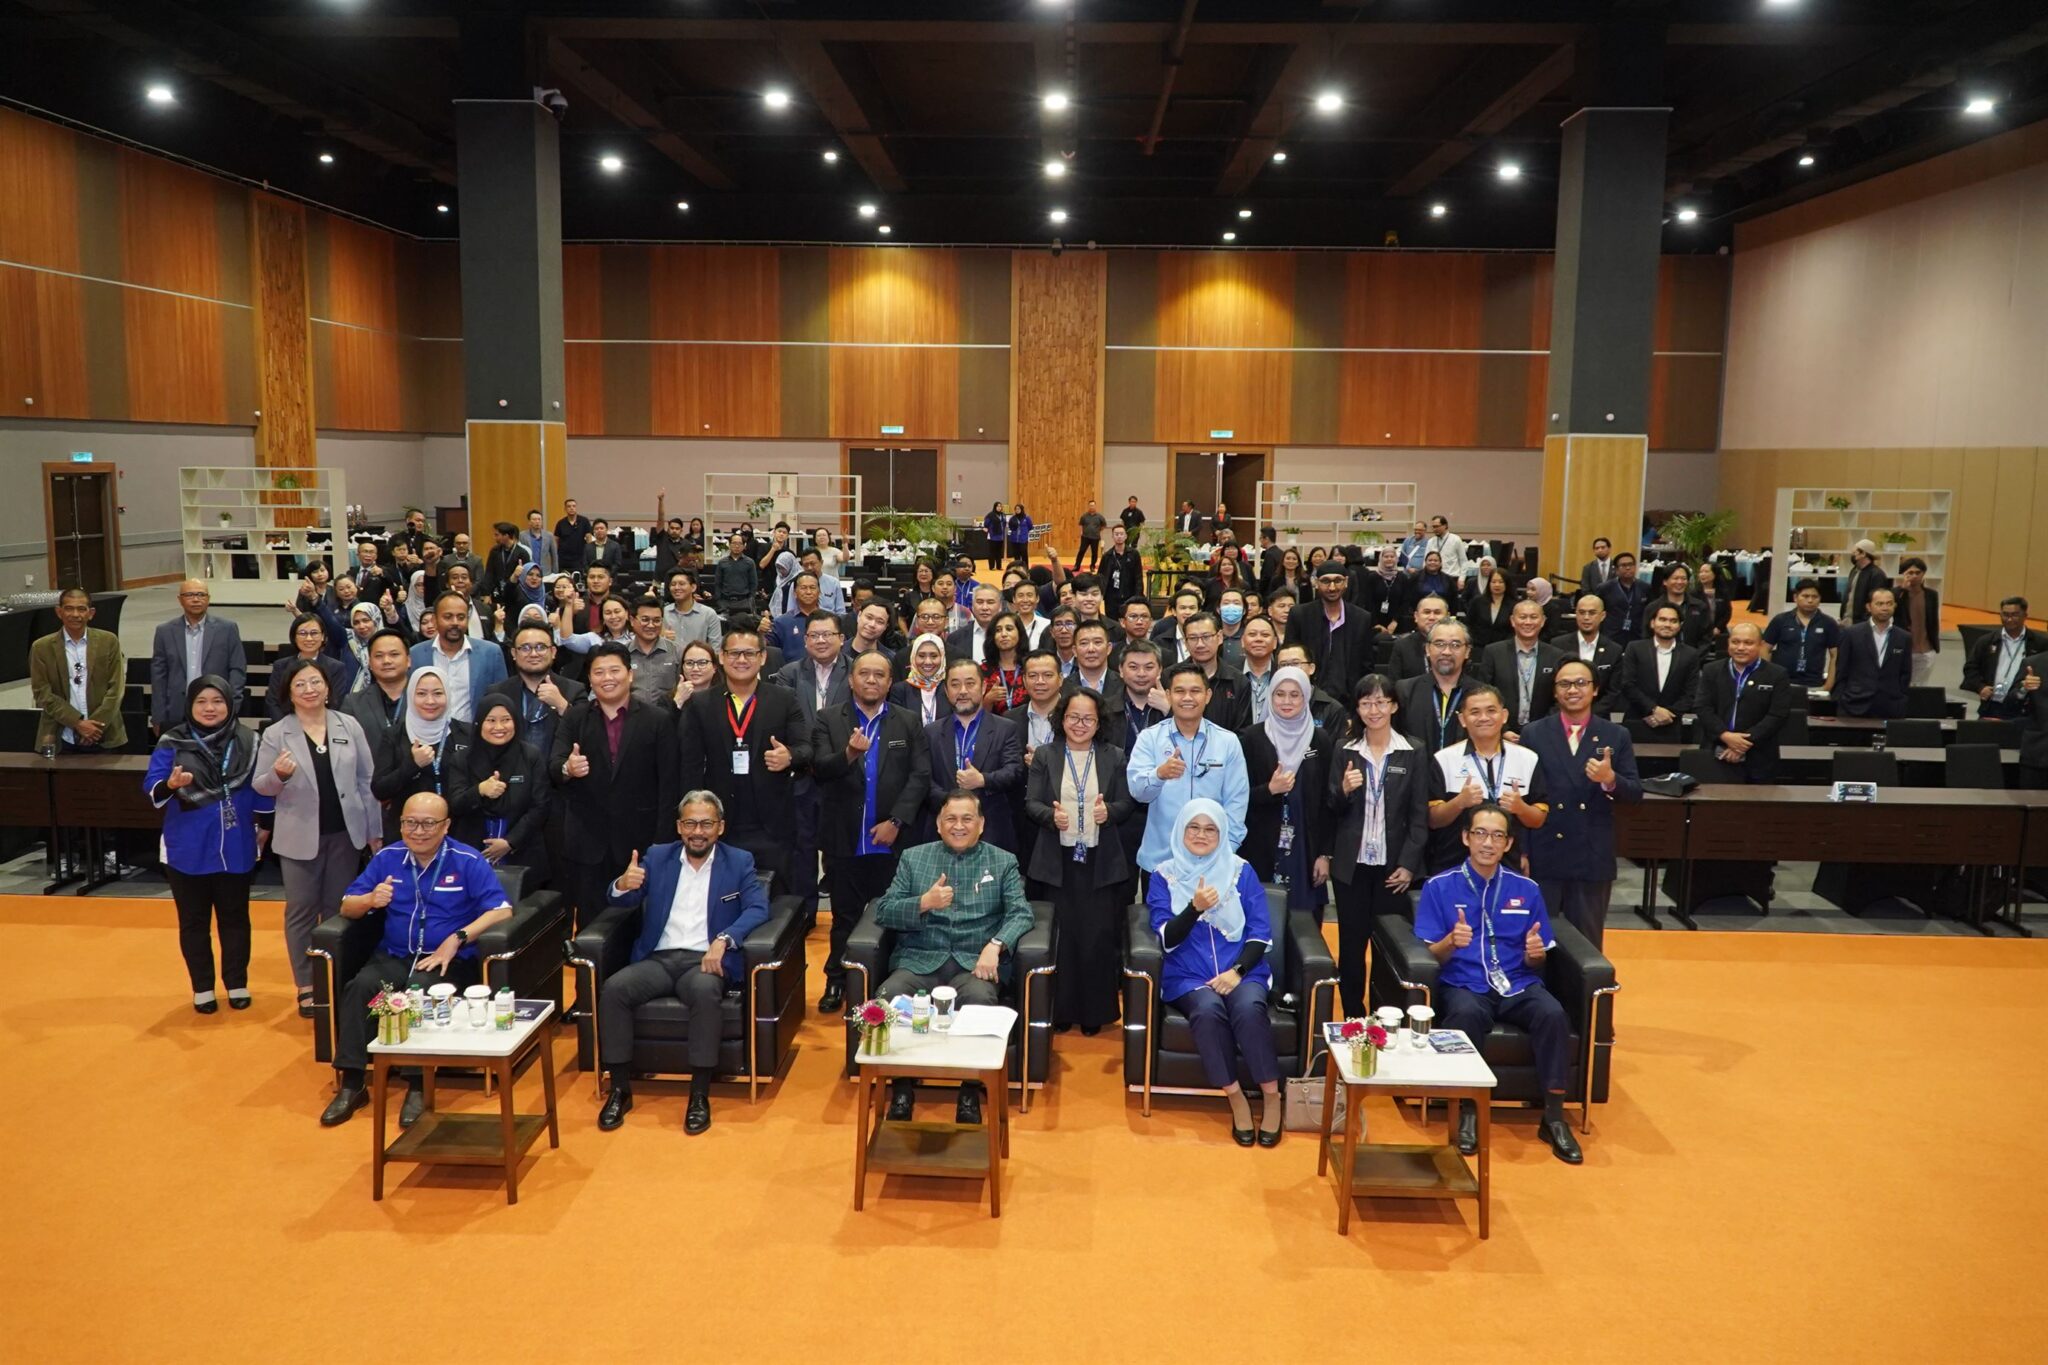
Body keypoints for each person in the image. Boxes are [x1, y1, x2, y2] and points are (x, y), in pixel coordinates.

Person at [317, 794, 515, 1128]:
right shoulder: (387, 858)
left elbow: (501, 910)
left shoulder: (466, 860)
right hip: (396, 954)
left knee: (419, 991)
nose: (418, 831)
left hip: (447, 961)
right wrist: (370, 899)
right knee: (361, 987)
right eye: (410, 823)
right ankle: (352, 1083)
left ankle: (418, 1085)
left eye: (428, 824)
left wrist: (458, 938)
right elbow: (347, 905)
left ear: (446, 826)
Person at [1412, 804, 1582, 1164]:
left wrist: (1535, 954)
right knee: (1465, 1015)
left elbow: (1537, 958)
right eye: (1480, 834)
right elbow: (1429, 958)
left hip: (1517, 983)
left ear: (1508, 844)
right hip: (1465, 982)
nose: (1488, 843)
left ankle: (1553, 1117)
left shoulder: (1527, 889)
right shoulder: (1439, 887)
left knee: (1553, 1015)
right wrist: (1450, 942)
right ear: (1466, 838)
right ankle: (1468, 1111)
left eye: (1497, 836)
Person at [595, 792, 773, 1134]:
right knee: (615, 989)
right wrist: (621, 884)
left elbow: (757, 908)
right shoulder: (658, 856)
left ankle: (699, 1094)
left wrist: (724, 939)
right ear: (679, 827)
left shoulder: (739, 861)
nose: (698, 832)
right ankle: (619, 1090)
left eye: (706, 824)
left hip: (703, 962)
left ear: (720, 827)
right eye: (690, 823)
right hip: (658, 959)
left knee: (705, 992)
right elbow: (623, 899)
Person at [871, 789, 1036, 1125]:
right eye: (951, 819)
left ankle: (969, 1090)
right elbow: (884, 910)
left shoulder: (1002, 861)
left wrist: (996, 945)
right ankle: (902, 1087)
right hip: (919, 959)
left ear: (981, 824)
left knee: (980, 1000)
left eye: (966, 819)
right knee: (888, 997)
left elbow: (1022, 913)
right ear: (938, 824)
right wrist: (924, 903)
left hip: (973, 963)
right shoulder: (914, 858)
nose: (958, 826)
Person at [1146, 799, 1282, 1146]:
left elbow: (1260, 932)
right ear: (1181, 831)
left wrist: (1237, 971)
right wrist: (1194, 908)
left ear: (1221, 835)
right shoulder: (1163, 876)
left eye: (1210, 829)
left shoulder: (1241, 871)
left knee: (1248, 1008)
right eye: (1193, 827)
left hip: (1241, 969)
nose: (1201, 835)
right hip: (1187, 974)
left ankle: (1271, 1096)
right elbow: (1166, 938)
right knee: (1207, 1010)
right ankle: (1235, 1096)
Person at [253, 657, 379, 1019]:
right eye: (300, 685)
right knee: (302, 911)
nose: (309, 690)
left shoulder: (348, 725)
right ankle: (307, 985)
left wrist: (374, 832)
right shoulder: (277, 733)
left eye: (315, 682)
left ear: (327, 688)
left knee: (340, 908)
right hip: (298, 838)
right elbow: (261, 786)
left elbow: (366, 782)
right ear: (289, 693)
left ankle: (337, 978)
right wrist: (278, 775)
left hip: (346, 834)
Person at [812, 650, 931, 1011]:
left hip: (892, 841)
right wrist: (849, 754)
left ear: (890, 682)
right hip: (844, 838)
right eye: (864, 673)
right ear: (851, 679)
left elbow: (920, 775)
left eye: (880, 675)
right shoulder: (828, 718)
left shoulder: (908, 721)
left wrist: (896, 821)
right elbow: (820, 768)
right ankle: (837, 981)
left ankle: (885, 982)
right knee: (844, 917)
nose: (872, 680)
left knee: (892, 917)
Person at [146, 677, 270, 1014]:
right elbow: (152, 787)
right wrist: (170, 784)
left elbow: (261, 788)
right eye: (201, 701)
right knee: (194, 922)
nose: (210, 708)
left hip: (236, 844)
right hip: (186, 847)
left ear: (230, 704)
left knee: (235, 918)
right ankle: (202, 988)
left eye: (217, 701)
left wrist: (265, 825)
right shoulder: (172, 741)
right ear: (190, 705)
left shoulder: (250, 740)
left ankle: (237, 982)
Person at [552, 643, 680, 929]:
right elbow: (555, 765)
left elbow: (669, 786)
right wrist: (567, 768)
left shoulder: (657, 720)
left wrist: (661, 845)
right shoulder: (575, 717)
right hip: (588, 844)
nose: (607, 678)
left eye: (614, 670)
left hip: (641, 843)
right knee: (592, 929)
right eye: (599, 672)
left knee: (641, 925)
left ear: (630, 674)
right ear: (589, 678)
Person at [1521, 661, 1641, 949]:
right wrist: (1521, 851)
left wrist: (1610, 779)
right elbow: (1523, 797)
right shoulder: (1533, 733)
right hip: (1544, 851)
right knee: (1538, 942)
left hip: (1591, 854)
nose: (1572, 690)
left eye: (1581, 683)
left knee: (1586, 946)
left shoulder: (1616, 735)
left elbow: (1635, 794)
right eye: (1564, 684)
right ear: (1554, 691)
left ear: (1595, 689)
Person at [1327, 675, 1428, 1018]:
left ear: (1394, 706)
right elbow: (1332, 807)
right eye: (1366, 703)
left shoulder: (1413, 750)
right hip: (1351, 868)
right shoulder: (1344, 749)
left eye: (1381, 702)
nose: (1374, 710)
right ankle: (1353, 1018)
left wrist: (1409, 864)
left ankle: (1387, 1018)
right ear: (1357, 709)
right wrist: (1344, 790)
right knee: (1351, 947)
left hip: (1393, 869)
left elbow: (1418, 814)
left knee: (1389, 946)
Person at [676, 625, 807, 888]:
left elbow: (806, 747)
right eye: (734, 653)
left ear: (763, 657)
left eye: (749, 653)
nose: (741, 660)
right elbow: (689, 766)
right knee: (721, 895)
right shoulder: (700, 704)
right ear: (721, 657)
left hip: (772, 823)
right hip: (720, 822)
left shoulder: (784, 698)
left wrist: (790, 756)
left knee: (774, 897)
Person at [1128, 661, 1250, 880]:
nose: (1187, 698)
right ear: (1168, 695)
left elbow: (1237, 801)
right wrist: (1159, 774)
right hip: (1160, 861)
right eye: (1179, 691)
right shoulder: (1150, 738)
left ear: (1208, 695)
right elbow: (1138, 792)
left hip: (1213, 861)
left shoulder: (1227, 742)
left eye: (1195, 691)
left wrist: (1226, 850)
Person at [774, 611, 850, 927]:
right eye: (814, 635)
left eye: (827, 634)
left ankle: (846, 917)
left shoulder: (856, 671)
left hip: (843, 773)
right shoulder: (789, 674)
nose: (820, 640)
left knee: (840, 850)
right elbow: (784, 720)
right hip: (802, 775)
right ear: (805, 640)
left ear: (841, 639)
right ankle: (804, 916)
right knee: (802, 848)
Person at [1425, 684, 1547, 875]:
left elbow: (1538, 820)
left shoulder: (1527, 759)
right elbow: (1433, 820)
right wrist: (1459, 802)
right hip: (1453, 867)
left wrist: (1521, 808)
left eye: (1491, 711)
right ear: (1462, 719)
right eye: (1475, 712)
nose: (1483, 718)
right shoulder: (1444, 759)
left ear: (1504, 715)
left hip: (1508, 867)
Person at [1240, 667, 1330, 913]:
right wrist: (1269, 790)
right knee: (1264, 918)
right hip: (1262, 847)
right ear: (1270, 697)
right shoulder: (1252, 737)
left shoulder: (1319, 739)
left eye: (1294, 694)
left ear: (1306, 697)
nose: (1287, 701)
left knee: (1305, 924)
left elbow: (1326, 802)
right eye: (1280, 694)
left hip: (1306, 849)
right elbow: (1239, 797)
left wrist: (1324, 854)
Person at [925, 656, 1025, 852]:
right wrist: (951, 802)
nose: (962, 691)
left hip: (992, 831)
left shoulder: (1006, 728)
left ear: (983, 687)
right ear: (946, 691)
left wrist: (983, 780)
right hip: (943, 830)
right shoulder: (931, 732)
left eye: (970, 684)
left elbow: (1014, 771)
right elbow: (923, 778)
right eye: (955, 684)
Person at [447, 696, 550, 872]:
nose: (499, 727)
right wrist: (479, 790)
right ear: (479, 723)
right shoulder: (462, 759)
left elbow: (540, 806)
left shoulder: (531, 756)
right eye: (491, 720)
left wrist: (510, 842)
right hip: (471, 853)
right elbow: (455, 805)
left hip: (522, 853)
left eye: (506, 720)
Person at [372, 666, 474, 843]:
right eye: (421, 694)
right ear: (411, 695)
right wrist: (412, 765)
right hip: (408, 833)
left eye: (438, 693)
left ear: (448, 695)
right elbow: (380, 789)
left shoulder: (466, 733)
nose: (430, 701)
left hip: (457, 831)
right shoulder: (394, 735)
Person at [30, 587, 126, 754]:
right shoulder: (41, 647)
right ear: (59, 612)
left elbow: (116, 689)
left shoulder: (108, 641)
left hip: (104, 734)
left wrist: (94, 727)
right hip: (61, 735)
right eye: (69, 608)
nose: (75, 614)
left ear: (91, 613)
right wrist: (77, 723)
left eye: (81, 609)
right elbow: (42, 693)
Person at [1694, 623, 1793, 781]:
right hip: (1716, 749)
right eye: (1735, 642)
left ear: (1760, 645)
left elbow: (1778, 714)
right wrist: (1725, 736)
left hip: (1759, 755)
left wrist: (1742, 743)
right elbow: (1702, 707)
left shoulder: (1777, 674)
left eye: (1748, 643)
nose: (1740, 648)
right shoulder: (1711, 670)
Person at [149, 581, 246, 733]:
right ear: (180, 599)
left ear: (208, 599)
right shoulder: (165, 631)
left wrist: (232, 706)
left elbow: (237, 670)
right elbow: (158, 677)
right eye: (189, 595)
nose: (196, 599)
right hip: (176, 711)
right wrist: (158, 715)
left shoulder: (227, 629)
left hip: (216, 711)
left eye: (201, 594)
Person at [482, 622, 585, 764]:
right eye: (525, 648)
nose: (534, 654)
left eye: (541, 647)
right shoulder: (497, 693)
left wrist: (562, 706)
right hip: (510, 774)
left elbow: (586, 735)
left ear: (553, 652)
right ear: (514, 653)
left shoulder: (574, 690)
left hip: (558, 774)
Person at [408, 590, 506, 724]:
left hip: (473, 733)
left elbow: (501, 701)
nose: (455, 622)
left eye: (461, 617)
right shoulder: (415, 654)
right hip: (427, 732)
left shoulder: (490, 653)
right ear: (435, 620)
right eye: (448, 617)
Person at [1286, 563, 1375, 701]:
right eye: (1326, 581)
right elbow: (1289, 658)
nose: (1332, 587)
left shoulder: (1361, 618)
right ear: (1316, 583)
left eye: (1338, 581)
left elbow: (1366, 665)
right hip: (1306, 697)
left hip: (1348, 700)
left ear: (1346, 582)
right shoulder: (1300, 615)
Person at [1477, 599, 1563, 737]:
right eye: (1522, 617)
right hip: (1501, 733)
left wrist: (1541, 729)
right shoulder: (1493, 652)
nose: (1528, 622)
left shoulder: (1556, 655)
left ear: (1542, 621)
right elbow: (1483, 695)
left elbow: (1560, 698)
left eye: (1533, 617)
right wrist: (1503, 729)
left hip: (1544, 733)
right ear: (1512, 620)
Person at [1619, 602, 1702, 742]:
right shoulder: (1635, 648)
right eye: (1662, 619)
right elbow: (1627, 684)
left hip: (1672, 724)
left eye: (1673, 621)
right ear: (1652, 623)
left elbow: (1691, 693)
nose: (1667, 625)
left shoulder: (1690, 654)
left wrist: (1668, 714)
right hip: (1638, 720)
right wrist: (1654, 709)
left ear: (1680, 625)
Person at [1396, 620, 1475, 754]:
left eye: (1455, 645)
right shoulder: (1405, 690)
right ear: (1427, 649)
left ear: (1467, 651)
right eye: (1439, 644)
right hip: (1416, 766)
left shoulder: (1479, 694)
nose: (1446, 652)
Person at [1835, 585, 1912, 719]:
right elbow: (1841, 670)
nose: (1885, 608)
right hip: (1854, 703)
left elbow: (1905, 673)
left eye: (1889, 603)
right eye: (1879, 604)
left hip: (1890, 706)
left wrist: (1901, 697)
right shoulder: (1851, 634)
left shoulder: (1903, 637)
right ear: (1869, 607)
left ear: (1895, 606)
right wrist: (1841, 697)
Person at [1962, 596, 2036, 721]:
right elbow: (1970, 668)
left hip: (2022, 709)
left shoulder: (2038, 644)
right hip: (1991, 705)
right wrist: (1980, 687)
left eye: (2015, 615)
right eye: (2005, 614)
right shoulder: (1986, 641)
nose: (2009, 619)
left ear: (2025, 616)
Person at [342, 627, 415, 751]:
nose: (386, 661)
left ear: (408, 660)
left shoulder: (425, 699)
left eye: (394, 654)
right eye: (379, 656)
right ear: (370, 663)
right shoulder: (353, 703)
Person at [266, 614, 350, 720]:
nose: (309, 638)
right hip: (286, 724)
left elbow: (335, 703)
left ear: (323, 636)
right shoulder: (281, 666)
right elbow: (273, 702)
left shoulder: (336, 668)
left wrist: (314, 725)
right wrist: (288, 726)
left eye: (314, 633)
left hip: (323, 724)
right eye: (302, 633)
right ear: (294, 637)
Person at [1760, 578, 1840, 691]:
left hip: (1814, 683)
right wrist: (1767, 679)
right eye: (1805, 596)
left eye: (1815, 597)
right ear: (1795, 597)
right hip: (1782, 682)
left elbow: (1835, 655)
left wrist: (1828, 686)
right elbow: (1765, 649)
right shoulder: (1781, 620)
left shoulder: (1828, 623)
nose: (1810, 600)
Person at [1892, 557, 1942, 687]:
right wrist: (1903, 590)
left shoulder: (1931, 595)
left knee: (1920, 686)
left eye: (1918, 572)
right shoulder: (1896, 594)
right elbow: (1892, 611)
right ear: (1904, 574)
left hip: (1926, 649)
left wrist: (1934, 645)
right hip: (1904, 649)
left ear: (1923, 574)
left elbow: (1933, 621)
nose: (1914, 576)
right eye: (1910, 572)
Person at [1564, 595, 1624, 701]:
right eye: (1582, 612)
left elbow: (1614, 692)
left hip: (1599, 709)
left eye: (1592, 613)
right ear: (1576, 614)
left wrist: (1590, 711)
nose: (1586, 617)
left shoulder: (1614, 650)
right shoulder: (1558, 645)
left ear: (1603, 616)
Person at [1641, 562, 1713, 649]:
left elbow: (1706, 638)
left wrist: (1695, 656)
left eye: (1683, 579)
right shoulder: (1653, 608)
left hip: (1692, 655)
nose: (1680, 582)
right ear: (1665, 581)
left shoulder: (1700, 607)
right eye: (1675, 578)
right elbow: (1646, 637)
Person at [892, 631, 950, 726]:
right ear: (913, 657)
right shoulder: (900, 690)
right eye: (921, 656)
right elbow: (897, 726)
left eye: (934, 656)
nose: (928, 662)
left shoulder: (950, 687)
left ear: (942, 657)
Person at [1388, 595, 1451, 681]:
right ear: (1416, 616)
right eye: (1427, 612)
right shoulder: (1402, 646)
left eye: (1437, 613)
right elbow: (1394, 683)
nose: (1432, 617)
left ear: (1447, 617)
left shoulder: (1458, 645)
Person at [978, 611, 1029, 715]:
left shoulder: (1030, 668)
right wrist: (988, 700)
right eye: (998, 630)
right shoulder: (981, 671)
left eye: (1009, 629)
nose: (1004, 634)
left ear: (1020, 633)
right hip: (993, 724)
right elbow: (973, 714)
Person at [662, 569, 724, 650]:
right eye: (673, 584)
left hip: (699, 658)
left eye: (682, 584)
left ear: (693, 587)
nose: (676, 587)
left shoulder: (708, 614)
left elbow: (715, 648)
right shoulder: (663, 613)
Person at [1597, 553, 1647, 646]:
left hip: (1637, 635)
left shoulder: (1645, 587)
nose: (1628, 568)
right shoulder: (1605, 588)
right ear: (1616, 569)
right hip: (1611, 635)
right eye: (1623, 565)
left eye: (1631, 564)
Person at [947, 583, 1004, 662]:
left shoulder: (1009, 636)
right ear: (972, 606)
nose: (984, 607)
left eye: (990, 602)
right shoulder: (955, 638)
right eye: (980, 602)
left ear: (1000, 606)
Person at [1464, 566, 1515, 653]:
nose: (1497, 585)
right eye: (1493, 582)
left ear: (1507, 584)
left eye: (1501, 582)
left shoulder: (1514, 605)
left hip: (1503, 648)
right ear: (1489, 583)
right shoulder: (1478, 601)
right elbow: (1469, 624)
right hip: (1479, 647)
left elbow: (1514, 629)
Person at [1839, 539, 1889, 624]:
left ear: (1863, 554)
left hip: (1863, 623)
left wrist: (1866, 621)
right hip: (1847, 621)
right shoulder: (1854, 571)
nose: (1853, 554)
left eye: (1855, 552)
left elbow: (1876, 601)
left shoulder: (1877, 575)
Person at [1099, 523, 1144, 618]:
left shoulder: (1134, 554)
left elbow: (1138, 576)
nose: (1119, 536)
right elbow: (1101, 577)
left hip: (1129, 596)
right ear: (1112, 536)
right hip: (1112, 597)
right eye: (1116, 534)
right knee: (1112, 621)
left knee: (1129, 620)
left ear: (1126, 536)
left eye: (1121, 534)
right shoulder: (1107, 556)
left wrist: (1138, 596)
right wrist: (1101, 594)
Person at [713, 533, 760, 616]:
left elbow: (753, 583)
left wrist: (751, 600)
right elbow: (718, 583)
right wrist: (719, 600)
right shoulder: (722, 562)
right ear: (729, 545)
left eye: (740, 543)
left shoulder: (750, 562)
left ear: (744, 546)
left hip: (744, 602)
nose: (737, 546)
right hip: (725, 602)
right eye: (734, 543)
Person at [554, 498, 593, 575]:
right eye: (569, 506)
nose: (571, 508)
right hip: (564, 559)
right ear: (565, 509)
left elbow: (589, 538)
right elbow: (556, 540)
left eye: (573, 506)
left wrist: (589, 553)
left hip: (579, 557)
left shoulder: (584, 521)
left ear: (576, 508)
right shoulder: (561, 523)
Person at [1427, 514, 1468, 580]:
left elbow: (1463, 561)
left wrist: (1462, 579)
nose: (1434, 529)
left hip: (1452, 577)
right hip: (1435, 578)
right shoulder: (1431, 541)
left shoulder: (1456, 539)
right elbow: (1425, 561)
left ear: (1445, 526)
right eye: (1433, 527)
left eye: (1437, 526)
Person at [523, 509, 559, 576]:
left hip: (545, 573)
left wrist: (555, 573)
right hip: (529, 572)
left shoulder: (549, 536)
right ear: (529, 522)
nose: (537, 522)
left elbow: (554, 556)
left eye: (539, 519)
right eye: (534, 519)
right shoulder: (522, 536)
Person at [982, 502, 1009, 570]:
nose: (999, 508)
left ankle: (999, 566)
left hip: (1000, 537)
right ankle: (992, 566)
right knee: (992, 552)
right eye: (998, 506)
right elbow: (986, 524)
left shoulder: (1003, 515)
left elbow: (1004, 524)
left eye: (1000, 506)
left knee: (999, 552)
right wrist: (986, 529)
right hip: (992, 536)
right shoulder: (990, 515)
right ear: (995, 507)